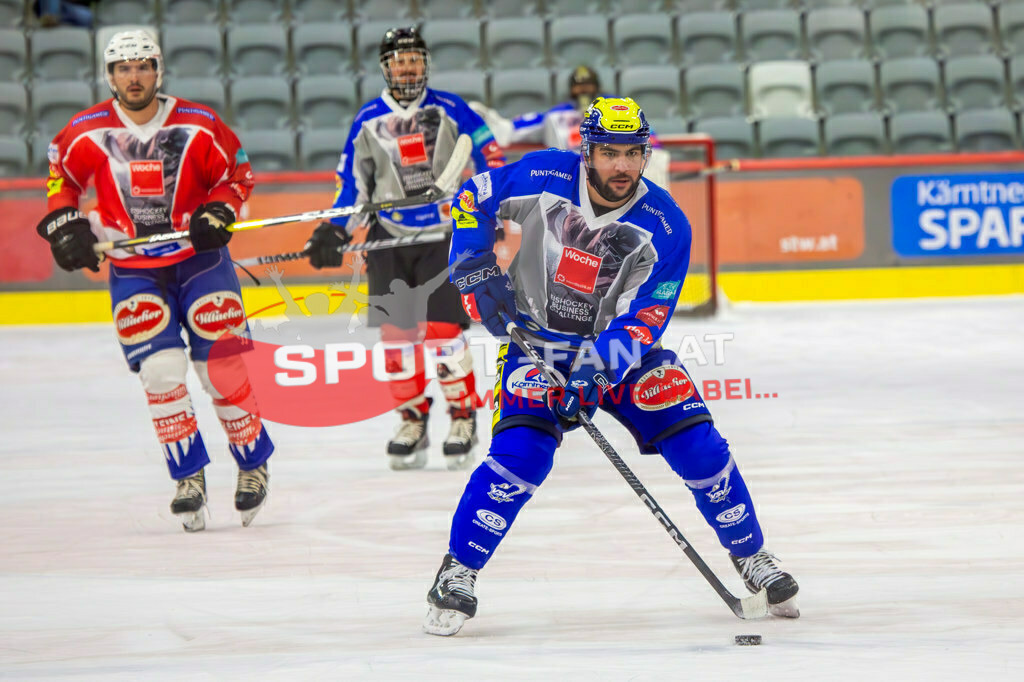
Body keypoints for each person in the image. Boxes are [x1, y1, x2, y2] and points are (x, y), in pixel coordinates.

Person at [423, 97, 799, 636]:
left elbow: (647, 317)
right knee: (521, 457)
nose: (621, 166)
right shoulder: (541, 173)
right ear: (587, 151)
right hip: (539, 343)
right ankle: (458, 570)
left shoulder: (667, 223)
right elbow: (469, 199)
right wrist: (473, 265)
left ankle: (752, 555)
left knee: (700, 446)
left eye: (632, 154)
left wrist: (598, 371)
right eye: (609, 153)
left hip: (624, 355)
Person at [35, 30, 274, 532]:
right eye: (124, 68)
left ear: (158, 69)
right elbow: (62, 182)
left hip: (200, 262)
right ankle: (188, 478)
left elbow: (237, 173)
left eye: (143, 66)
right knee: (162, 373)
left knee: (222, 373)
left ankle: (252, 463)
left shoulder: (199, 124)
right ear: (110, 75)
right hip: (134, 268)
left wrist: (219, 209)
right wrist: (66, 227)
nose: (134, 76)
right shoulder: (84, 131)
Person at [305, 26, 506, 472]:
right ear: (386, 67)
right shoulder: (368, 118)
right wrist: (335, 228)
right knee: (396, 339)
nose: (408, 67)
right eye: (400, 60)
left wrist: (486, 208)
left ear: (425, 64)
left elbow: (493, 160)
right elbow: (352, 186)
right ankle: (411, 417)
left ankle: (462, 417)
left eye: (415, 59)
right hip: (388, 237)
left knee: (442, 333)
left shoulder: (453, 109)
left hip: (442, 237)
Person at [472, 65, 671, 188]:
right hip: (571, 177)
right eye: (578, 85)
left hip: (611, 172)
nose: (583, 90)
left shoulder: (618, 108)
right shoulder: (556, 115)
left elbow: (646, 134)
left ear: (597, 86)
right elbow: (513, 128)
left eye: (588, 85)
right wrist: (487, 120)